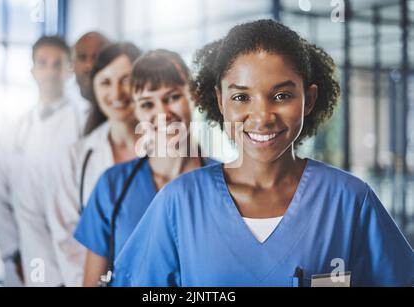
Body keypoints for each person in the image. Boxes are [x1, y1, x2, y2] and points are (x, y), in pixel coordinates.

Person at [113, 20, 414, 287]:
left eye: (282, 96)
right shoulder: (179, 202)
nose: (262, 117)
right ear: (220, 100)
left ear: (308, 99)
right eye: (241, 97)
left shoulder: (350, 201)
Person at [74, 50, 217, 287]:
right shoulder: (112, 186)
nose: (162, 113)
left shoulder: (228, 184)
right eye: (148, 103)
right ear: (136, 111)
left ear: (193, 96)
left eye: (172, 97)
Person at [0, 36, 85, 287]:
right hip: (26, 253)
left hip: (73, 255)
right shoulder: (13, 129)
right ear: (33, 70)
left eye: (58, 63)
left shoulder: (83, 125)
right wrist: (12, 252)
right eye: (43, 63)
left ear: (69, 69)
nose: (50, 71)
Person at [47, 43, 142, 287]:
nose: (117, 92)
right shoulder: (77, 156)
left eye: (126, 80)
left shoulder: (171, 153)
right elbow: (66, 235)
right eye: (106, 82)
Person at [67, 32, 110, 135]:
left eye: (96, 58)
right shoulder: (63, 110)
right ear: (72, 64)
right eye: (82, 57)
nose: (89, 66)